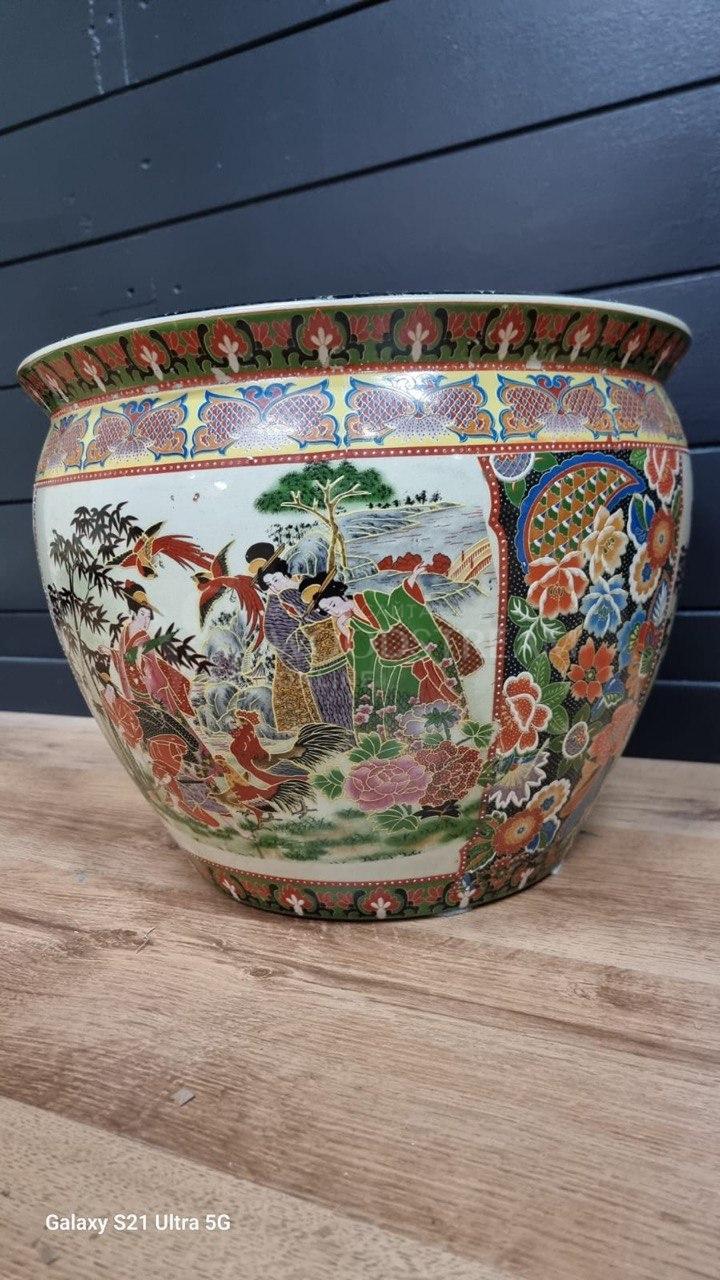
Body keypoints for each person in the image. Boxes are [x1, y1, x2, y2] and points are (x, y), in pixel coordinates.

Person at [298, 561, 473, 731]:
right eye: (329, 611)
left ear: (340, 594)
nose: (335, 611)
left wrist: (411, 580)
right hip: (393, 668)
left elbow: (397, 602)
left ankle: (458, 726)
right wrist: (345, 630)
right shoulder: (348, 622)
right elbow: (358, 654)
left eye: (333, 604)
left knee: (442, 696)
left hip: (419, 654)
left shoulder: (371, 598)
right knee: (403, 709)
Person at [246, 542, 354, 732]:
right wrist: (305, 662)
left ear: (283, 571)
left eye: (276, 579)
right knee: (325, 707)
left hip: (342, 649)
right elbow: (278, 634)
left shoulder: (305, 584)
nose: (274, 586)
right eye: (269, 584)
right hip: (310, 661)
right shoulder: (279, 602)